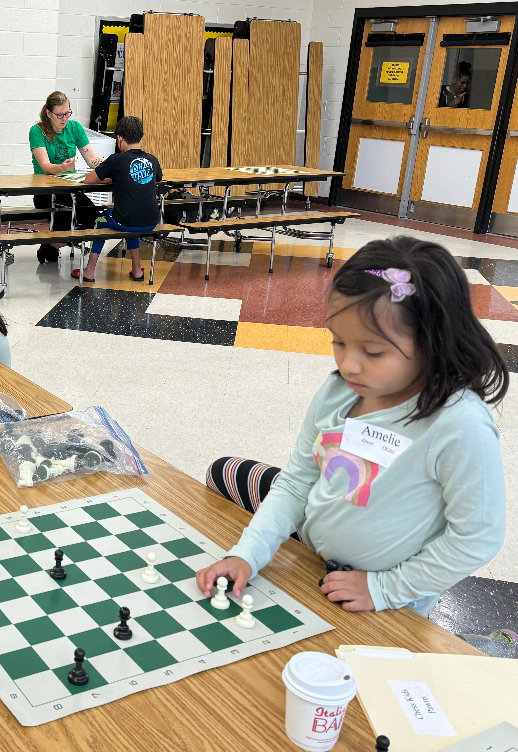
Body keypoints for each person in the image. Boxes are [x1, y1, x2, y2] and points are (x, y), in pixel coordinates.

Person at [197, 237, 507, 616]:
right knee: (223, 470)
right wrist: (245, 555)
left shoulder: (459, 423)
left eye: (373, 352)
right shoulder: (337, 391)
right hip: (315, 552)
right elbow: (297, 482)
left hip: (388, 599)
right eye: (338, 342)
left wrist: (385, 588)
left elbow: (477, 537)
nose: (349, 365)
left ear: (433, 341)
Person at [76, 116, 162, 283]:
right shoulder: (152, 159)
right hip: (151, 220)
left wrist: (116, 178)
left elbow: (89, 180)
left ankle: (89, 271)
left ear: (120, 138)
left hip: (127, 220)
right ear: (140, 137)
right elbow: (157, 179)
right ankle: (137, 271)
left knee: (101, 221)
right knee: (131, 219)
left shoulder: (116, 160)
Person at [29, 91, 104, 263]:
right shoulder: (37, 131)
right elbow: (46, 166)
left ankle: (51, 245)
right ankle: (53, 244)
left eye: (67, 113)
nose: (64, 118)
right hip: (45, 189)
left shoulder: (75, 128)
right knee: (65, 218)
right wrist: (61, 168)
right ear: (48, 113)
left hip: (69, 188)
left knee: (94, 218)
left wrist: (110, 165)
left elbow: (92, 159)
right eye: (60, 115)